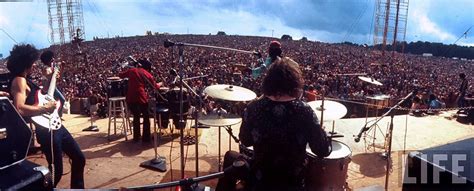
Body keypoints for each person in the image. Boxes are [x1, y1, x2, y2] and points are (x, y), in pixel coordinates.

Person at [216, 57, 331, 191]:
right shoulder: (305, 111)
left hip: (260, 181)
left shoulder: (254, 108)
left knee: (231, 156)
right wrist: (321, 131)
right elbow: (323, 151)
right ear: (295, 84)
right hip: (292, 183)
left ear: (268, 82)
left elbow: (245, 141)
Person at [7, 44, 85, 188]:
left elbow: (41, 96)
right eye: (32, 63)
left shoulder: (26, 79)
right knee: (56, 172)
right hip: (46, 130)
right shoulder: (19, 80)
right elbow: (19, 108)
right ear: (27, 63)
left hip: (56, 125)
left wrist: (50, 79)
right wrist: (45, 109)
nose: (34, 65)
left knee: (79, 158)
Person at [119, 58, 161, 142]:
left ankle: (136, 137)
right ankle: (146, 138)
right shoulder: (147, 74)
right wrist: (160, 84)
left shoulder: (132, 70)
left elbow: (120, 75)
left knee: (136, 116)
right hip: (141, 97)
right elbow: (155, 86)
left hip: (130, 97)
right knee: (146, 116)